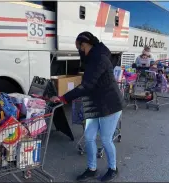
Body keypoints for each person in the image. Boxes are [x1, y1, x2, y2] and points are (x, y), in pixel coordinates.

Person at [50, 31, 123, 182]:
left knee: (105, 139)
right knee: (89, 137)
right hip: (95, 104)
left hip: (110, 105)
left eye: (79, 47)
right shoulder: (92, 58)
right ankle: (92, 169)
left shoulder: (99, 58)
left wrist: (63, 98)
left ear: (85, 44)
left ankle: (113, 168)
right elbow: (89, 84)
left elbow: (86, 86)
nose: (79, 51)